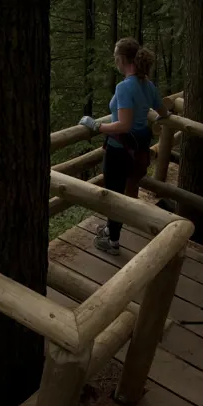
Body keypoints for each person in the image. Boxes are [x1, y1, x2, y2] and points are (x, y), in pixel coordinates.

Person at [79, 37, 169, 255]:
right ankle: (111, 228)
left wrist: (96, 126)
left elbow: (123, 124)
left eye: (115, 57)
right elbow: (164, 112)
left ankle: (113, 242)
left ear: (121, 59)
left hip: (119, 150)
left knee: (114, 196)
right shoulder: (147, 84)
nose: (114, 61)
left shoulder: (124, 87)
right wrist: (157, 118)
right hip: (137, 149)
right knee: (124, 191)